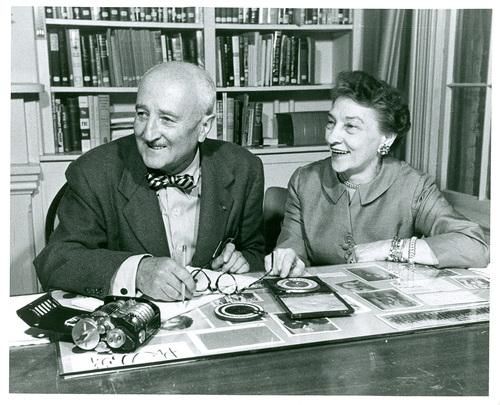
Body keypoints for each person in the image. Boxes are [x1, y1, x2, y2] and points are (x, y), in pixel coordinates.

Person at [34, 62, 265, 301]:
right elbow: (56, 260)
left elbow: (255, 252)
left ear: (203, 127)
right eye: (142, 114)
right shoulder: (94, 171)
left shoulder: (244, 168)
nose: (149, 133)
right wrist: (136, 271)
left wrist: (240, 262)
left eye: (167, 119)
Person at [265, 71, 489, 277]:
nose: (332, 137)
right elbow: (291, 246)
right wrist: (288, 259)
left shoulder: (413, 186)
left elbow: (473, 245)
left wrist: (387, 248)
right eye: (331, 123)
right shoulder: (305, 180)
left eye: (350, 127)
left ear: (387, 138)